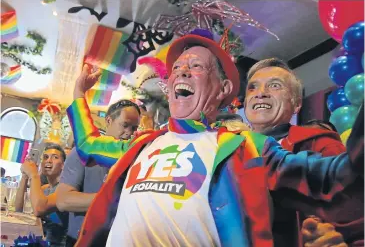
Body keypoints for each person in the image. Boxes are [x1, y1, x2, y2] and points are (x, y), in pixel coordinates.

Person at [67, 29, 363, 247]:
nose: (182, 71)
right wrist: (80, 94)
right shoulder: (140, 144)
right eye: (177, 68)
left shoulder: (244, 147)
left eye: (196, 66)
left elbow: (337, 180)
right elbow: (87, 145)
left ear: (222, 89)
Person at [244, 58, 363, 246]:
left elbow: (353, 205)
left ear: (296, 104)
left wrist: (331, 235)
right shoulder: (225, 147)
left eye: (274, 86)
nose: (261, 94)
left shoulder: (317, 142)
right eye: (253, 87)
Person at [56, 99, 141, 246]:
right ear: (109, 120)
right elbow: (63, 200)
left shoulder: (134, 158)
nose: (129, 133)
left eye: (134, 128)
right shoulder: (83, 153)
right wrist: (114, 199)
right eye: (125, 125)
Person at [15, 144, 68, 247]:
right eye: (45, 157)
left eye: (55, 157)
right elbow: (18, 209)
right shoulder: (44, 189)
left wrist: (33, 174)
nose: (48, 160)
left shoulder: (65, 189)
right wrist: (25, 175)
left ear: (63, 165)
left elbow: (39, 208)